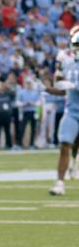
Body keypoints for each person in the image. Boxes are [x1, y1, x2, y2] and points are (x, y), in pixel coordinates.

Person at [49, 31, 79, 195]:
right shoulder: (67, 63)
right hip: (73, 110)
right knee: (65, 145)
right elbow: (58, 83)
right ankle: (60, 182)